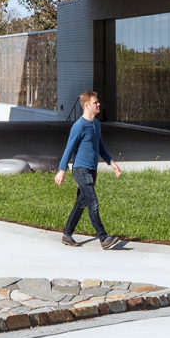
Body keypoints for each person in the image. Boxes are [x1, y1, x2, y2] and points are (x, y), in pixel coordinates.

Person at [55, 90, 122, 249]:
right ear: (86, 105)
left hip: (92, 169)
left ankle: (67, 234)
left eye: (98, 102)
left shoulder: (96, 124)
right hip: (80, 170)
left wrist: (111, 162)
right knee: (92, 201)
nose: (98, 104)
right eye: (95, 103)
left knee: (81, 203)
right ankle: (104, 238)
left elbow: (100, 147)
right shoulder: (78, 126)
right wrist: (62, 170)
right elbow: (68, 149)